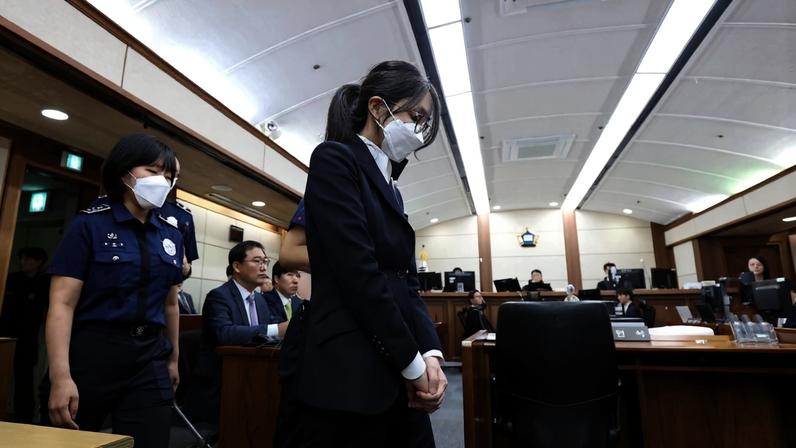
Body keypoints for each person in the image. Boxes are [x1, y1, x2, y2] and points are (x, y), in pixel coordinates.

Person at [291, 60, 445, 447]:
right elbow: (359, 273)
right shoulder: (334, 159)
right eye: (417, 116)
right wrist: (412, 364)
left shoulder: (392, 185)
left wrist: (431, 354)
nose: (420, 131)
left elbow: (407, 282)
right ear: (379, 108)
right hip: (352, 367)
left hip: (400, 358)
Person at [43, 134, 183, 447]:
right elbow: (62, 304)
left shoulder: (172, 233)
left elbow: (170, 304)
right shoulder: (89, 225)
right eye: (152, 170)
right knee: (72, 440)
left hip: (149, 355)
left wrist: (173, 360)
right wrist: (60, 376)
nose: (162, 181)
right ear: (125, 173)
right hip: (93, 351)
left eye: (169, 176)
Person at [192, 241, 287, 424]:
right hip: (222, 382)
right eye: (257, 261)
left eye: (265, 261)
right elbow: (225, 334)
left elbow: (264, 341)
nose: (263, 267)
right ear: (236, 266)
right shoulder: (219, 296)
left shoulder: (260, 300)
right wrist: (277, 329)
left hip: (253, 379)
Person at [0, 247, 50, 423]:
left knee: (24, 381)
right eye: (22, 259)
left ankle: (24, 418)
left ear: (38, 262)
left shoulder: (44, 283)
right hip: (5, 335)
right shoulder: (12, 279)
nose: (24, 262)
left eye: (28, 259)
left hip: (27, 338)